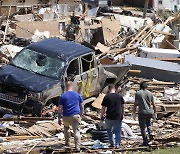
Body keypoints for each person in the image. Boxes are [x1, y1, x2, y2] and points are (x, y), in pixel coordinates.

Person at [58, 81, 84, 151]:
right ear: (72, 87)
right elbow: (82, 106)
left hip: (66, 116)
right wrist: (81, 114)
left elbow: (60, 108)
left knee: (66, 128)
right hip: (76, 115)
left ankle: (67, 143)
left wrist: (59, 118)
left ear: (66, 87)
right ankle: (77, 147)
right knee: (77, 131)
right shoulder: (77, 95)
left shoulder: (63, 96)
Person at [100, 84, 125, 148]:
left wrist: (102, 116)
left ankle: (112, 143)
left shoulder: (106, 96)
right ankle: (117, 144)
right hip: (117, 116)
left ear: (109, 89)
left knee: (109, 131)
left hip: (109, 116)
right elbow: (123, 106)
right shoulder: (119, 96)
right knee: (117, 131)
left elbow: (103, 108)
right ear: (115, 89)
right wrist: (122, 114)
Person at [133, 81, 156, 146]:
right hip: (150, 112)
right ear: (146, 86)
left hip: (142, 112)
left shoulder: (138, 93)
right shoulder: (150, 93)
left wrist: (134, 112)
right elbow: (154, 105)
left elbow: (135, 104)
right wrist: (155, 113)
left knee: (142, 128)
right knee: (149, 124)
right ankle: (150, 133)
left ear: (140, 86)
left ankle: (145, 141)